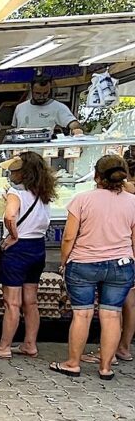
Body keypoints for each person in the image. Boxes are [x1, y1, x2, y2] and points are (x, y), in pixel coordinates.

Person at [50, 154, 135, 381]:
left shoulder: (81, 200)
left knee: (82, 314)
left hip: (83, 263)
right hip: (120, 265)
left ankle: (73, 363)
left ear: (97, 176)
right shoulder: (132, 202)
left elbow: (69, 237)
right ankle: (106, 367)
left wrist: (64, 261)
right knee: (112, 315)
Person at [0, 153, 55, 360]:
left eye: (14, 170)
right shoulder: (43, 193)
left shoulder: (15, 192)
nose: (11, 174)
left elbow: (10, 215)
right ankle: (30, 344)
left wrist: (13, 235)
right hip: (37, 247)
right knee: (31, 301)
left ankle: (3, 347)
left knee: (11, 302)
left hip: (18, 250)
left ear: (23, 172)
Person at [12, 75, 83, 135]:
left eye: (45, 93)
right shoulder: (20, 107)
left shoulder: (57, 107)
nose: (42, 96)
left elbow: (72, 123)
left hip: (45, 146)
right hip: (22, 145)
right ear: (31, 90)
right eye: (38, 93)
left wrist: (76, 129)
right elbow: (13, 128)